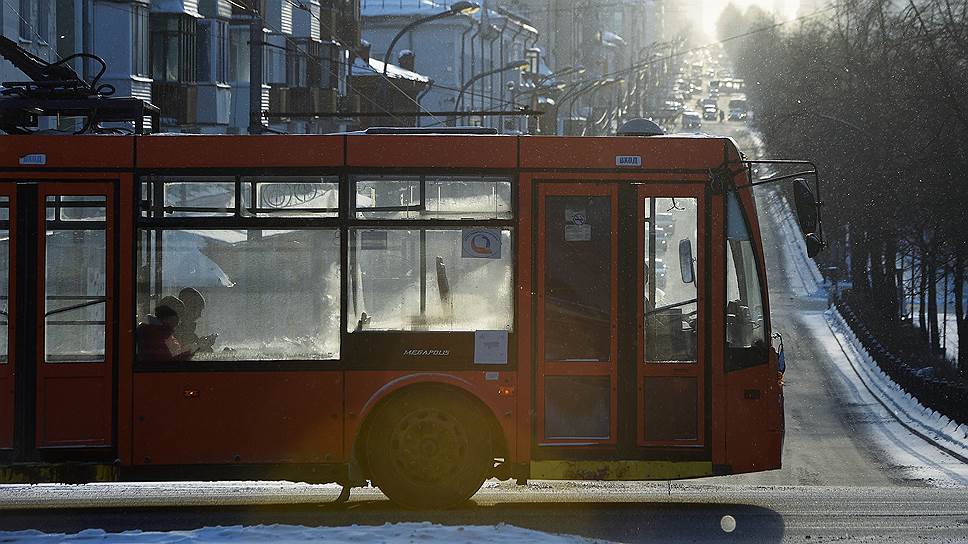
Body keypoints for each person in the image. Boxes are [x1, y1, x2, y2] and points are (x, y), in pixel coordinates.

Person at [136, 296, 195, 362]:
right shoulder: (158, 334)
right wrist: (188, 353)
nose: (179, 322)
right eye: (179, 317)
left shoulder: (152, 329)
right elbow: (168, 362)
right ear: (172, 317)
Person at [174, 287, 216, 353]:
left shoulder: (188, 332)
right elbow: (179, 354)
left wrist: (202, 344)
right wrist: (200, 345)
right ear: (189, 308)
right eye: (199, 310)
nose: (199, 315)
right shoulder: (173, 332)